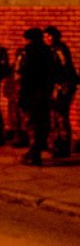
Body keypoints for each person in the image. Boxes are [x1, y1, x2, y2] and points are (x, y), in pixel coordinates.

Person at [18, 28, 54, 166]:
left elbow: (22, 73)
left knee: (32, 123)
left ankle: (34, 153)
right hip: (44, 92)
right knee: (43, 121)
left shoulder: (26, 52)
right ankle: (36, 149)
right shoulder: (47, 51)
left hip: (30, 92)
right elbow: (52, 72)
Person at [44, 26, 77, 158]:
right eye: (46, 36)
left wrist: (60, 84)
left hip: (63, 86)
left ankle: (63, 147)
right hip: (54, 87)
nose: (48, 39)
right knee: (54, 117)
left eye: (50, 36)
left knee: (61, 116)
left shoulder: (60, 50)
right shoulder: (49, 50)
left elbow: (64, 68)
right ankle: (56, 145)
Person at [6, 47, 29, 148]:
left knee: (23, 117)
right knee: (14, 117)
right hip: (14, 95)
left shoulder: (26, 67)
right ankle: (17, 136)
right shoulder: (13, 67)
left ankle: (23, 137)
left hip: (22, 95)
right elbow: (9, 80)